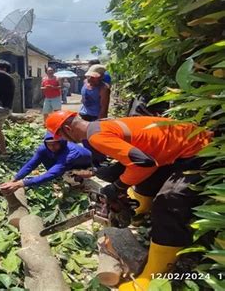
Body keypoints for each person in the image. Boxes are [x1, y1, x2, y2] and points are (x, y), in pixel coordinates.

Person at [45, 110, 212, 291]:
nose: (65, 140)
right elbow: (132, 159)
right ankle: (139, 215)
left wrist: (117, 187)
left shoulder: (96, 137)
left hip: (202, 153)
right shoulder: (103, 124)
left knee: (168, 203)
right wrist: (102, 175)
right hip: (187, 146)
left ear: (68, 129)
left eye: (61, 135)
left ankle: (152, 277)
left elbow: (143, 163)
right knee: (142, 180)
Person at [0, 132, 92, 195]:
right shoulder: (44, 148)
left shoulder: (70, 154)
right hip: (62, 161)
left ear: (61, 142)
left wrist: (21, 184)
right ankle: (62, 177)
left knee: (67, 176)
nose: (52, 147)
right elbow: (31, 164)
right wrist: (14, 179)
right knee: (45, 158)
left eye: (55, 143)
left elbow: (52, 173)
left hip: (83, 166)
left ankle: (79, 183)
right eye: (49, 144)